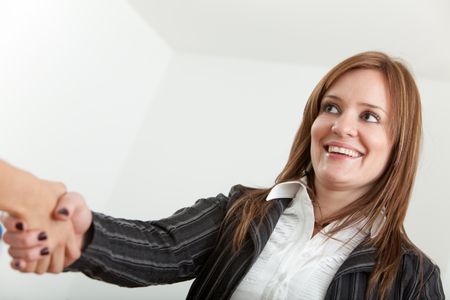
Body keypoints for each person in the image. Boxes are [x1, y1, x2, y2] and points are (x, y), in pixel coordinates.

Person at [1, 51, 445, 299]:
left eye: (370, 116)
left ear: (397, 144)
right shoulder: (240, 209)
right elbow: (160, 248)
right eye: (331, 107)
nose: (342, 126)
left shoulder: (412, 276)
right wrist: (81, 233)